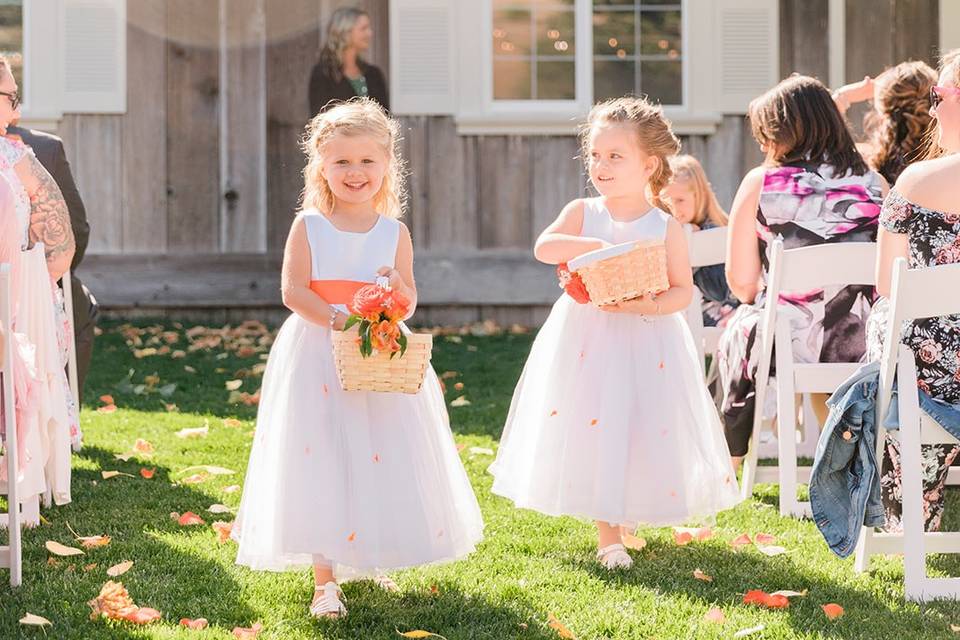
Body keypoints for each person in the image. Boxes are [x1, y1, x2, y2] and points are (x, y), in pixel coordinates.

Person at [232, 98, 483, 619]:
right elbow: (293, 291)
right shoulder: (310, 226)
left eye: (367, 161)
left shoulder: (394, 232)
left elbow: (410, 296)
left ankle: (370, 552)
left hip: (380, 353)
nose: (355, 172)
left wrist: (394, 295)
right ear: (321, 165)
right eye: (342, 161)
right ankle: (326, 578)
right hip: (319, 352)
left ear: (387, 165)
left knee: (379, 450)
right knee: (323, 454)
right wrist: (341, 320)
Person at [489, 97, 741, 571]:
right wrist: (593, 244)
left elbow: (682, 291)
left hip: (645, 338)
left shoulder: (663, 224)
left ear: (648, 165)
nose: (601, 166)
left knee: (638, 424)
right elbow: (545, 247)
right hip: (588, 337)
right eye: (595, 155)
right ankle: (609, 535)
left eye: (614, 157)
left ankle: (626, 510)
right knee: (596, 420)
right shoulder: (584, 211)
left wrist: (649, 305)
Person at [717, 75, 886, 470]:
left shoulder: (761, 183)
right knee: (830, 330)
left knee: (747, 325)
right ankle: (845, 461)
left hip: (788, 344)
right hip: (861, 344)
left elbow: (742, 285)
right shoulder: (875, 183)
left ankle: (733, 456)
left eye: (765, 134)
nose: (762, 145)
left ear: (784, 133)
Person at [867, 49, 960, 532]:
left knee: (889, 326)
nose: (933, 108)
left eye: (939, 95)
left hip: (938, 378)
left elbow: (887, 284)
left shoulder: (917, 181)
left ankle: (911, 511)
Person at [0, 55, 78, 508]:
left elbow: (63, 247)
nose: (18, 112)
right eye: (12, 98)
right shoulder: (17, 162)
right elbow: (62, 249)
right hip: (14, 328)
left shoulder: (17, 159)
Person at [6, 120, 97, 403]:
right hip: (30, 286)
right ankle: (60, 411)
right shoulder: (44, 148)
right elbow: (77, 231)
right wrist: (50, 278)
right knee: (78, 302)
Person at [658, 154, 738, 327]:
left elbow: (719, 291)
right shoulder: (663, 233)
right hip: (684, 322)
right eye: (667, 201)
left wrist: (692, 242)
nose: (673, 209)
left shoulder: (716, 233)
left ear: (699, 196)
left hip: (718, 322)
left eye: (680, 200)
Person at [833, 61, 938, 184]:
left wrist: (842, 96)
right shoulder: (950, 161)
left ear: (882, 112)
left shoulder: (864, 165)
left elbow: (818, 147)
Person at [308, 6, 389, 115]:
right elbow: (319, 117)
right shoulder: (323, 73)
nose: (370, 33)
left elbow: (385, 116)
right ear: (345, 32)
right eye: (363, 28)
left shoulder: (374, 74)